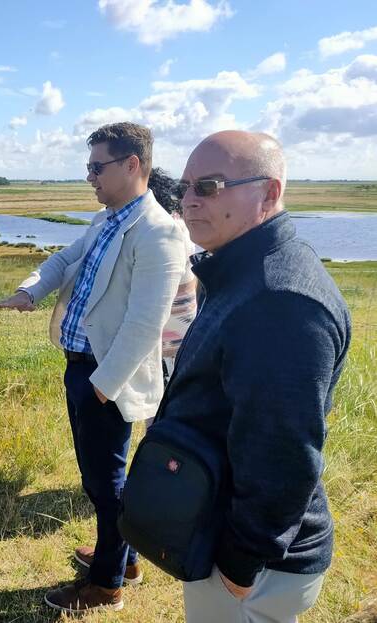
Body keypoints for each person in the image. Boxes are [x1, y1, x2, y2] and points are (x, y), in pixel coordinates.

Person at [142, 131, 351, 622]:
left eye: (209, 186)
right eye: (186, 187)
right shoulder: (244, 270)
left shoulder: (279, 300)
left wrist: (241, 563)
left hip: (255, 562)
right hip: (227, 528)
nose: (190, 201)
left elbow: (282, 451)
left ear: (270, 193)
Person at [0, 122, 187, 613]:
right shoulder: (107, 220)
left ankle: (106, 586)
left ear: (132, 165)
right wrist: (28, 292)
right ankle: (124, 558)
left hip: (104, 378)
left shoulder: (159, 232)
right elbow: (62, 260)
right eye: (89, 168)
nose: (90, 177)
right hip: (83, 368)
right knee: (101, 479)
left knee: (106, 484)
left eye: (98, 167)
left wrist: (101, 387)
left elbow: (145, 324)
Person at [148, 167, 197, 385]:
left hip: (166, 339)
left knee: (159, 405)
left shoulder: (164, 232)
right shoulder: (180, 225)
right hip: (184, 329)